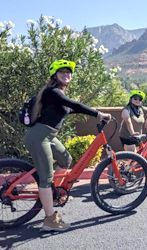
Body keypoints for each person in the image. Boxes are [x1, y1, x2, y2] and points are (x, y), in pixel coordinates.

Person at [24, 59, 111, 231]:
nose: (66, 74)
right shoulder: (53, 92)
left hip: (49, 135)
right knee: (46, 178)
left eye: (68, 72)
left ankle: (55, 195)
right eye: (62, 72)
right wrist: (98, 113)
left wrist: (96, 114)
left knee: (65, 159)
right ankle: (49, 220)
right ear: (55, 75)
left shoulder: (58, 95)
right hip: (39, 136)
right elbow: (74, 104)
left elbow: (74, 108)